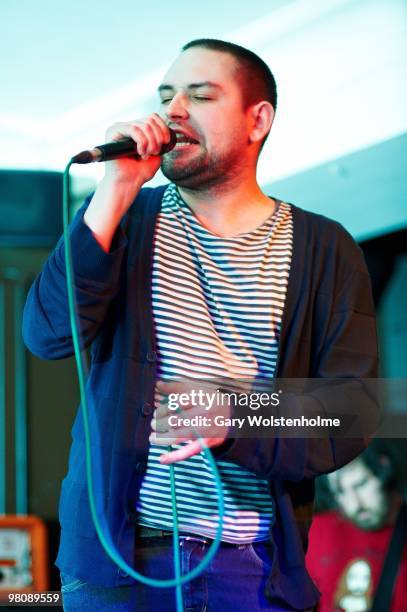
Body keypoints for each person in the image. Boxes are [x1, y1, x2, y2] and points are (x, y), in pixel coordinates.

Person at [23, 39, 378, 611]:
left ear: (257, 119)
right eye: (166, 96)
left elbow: (353, 411)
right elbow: (46, 334)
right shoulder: (126, 219)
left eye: (200, 95)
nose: (174, 110)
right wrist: (113, 189)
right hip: (115, 566)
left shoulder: (326, 248)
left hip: (252, 571)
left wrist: (236, 417)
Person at [306, 444, 407, 611]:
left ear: (384, 467)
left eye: (360, 485)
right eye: (340, 492)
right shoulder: (314, 531)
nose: (354, 505)